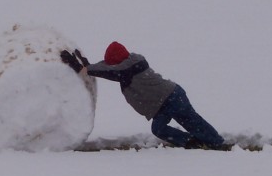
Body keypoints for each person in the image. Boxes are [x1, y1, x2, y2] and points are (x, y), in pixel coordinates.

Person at [60, 41, 229, 150]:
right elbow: (108, 68)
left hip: (172, 97)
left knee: (192, 121)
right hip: (164, 102)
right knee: (160, 128)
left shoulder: (127, 68)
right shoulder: (129, 63)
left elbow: (111, 70)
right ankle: (194, 143)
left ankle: (217, 143)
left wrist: (83, 69)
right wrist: (87, 66)